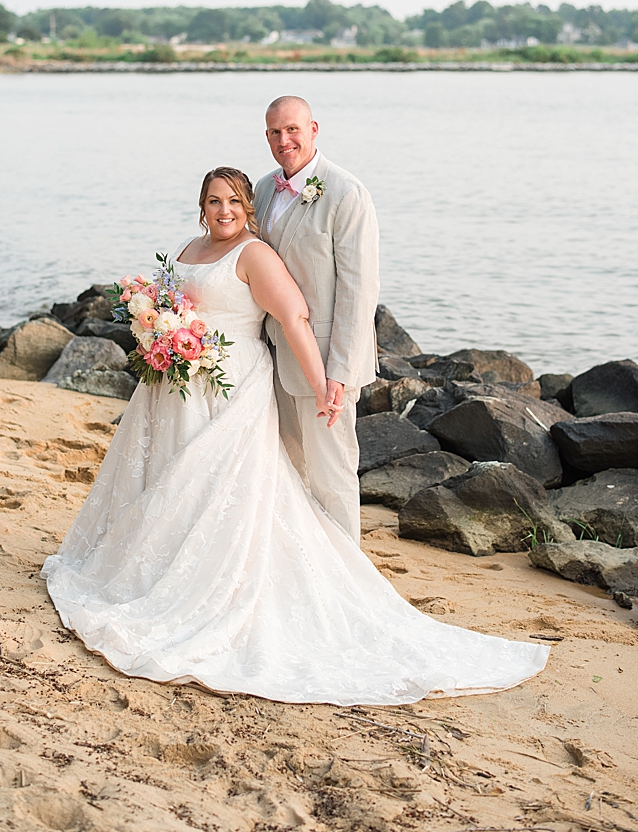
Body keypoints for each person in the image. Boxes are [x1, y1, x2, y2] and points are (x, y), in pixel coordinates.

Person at [40, 167, 547, 705]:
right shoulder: (190, 246)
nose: (224, 211)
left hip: (229, 386)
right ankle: (148, 570)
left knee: (217, 488)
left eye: (233, 201)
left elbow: (297, 317)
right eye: (214, 201)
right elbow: (175, 303)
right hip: (174, 387)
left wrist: (326, 383)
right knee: (167, 478)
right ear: (201, 206)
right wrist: (159, 330)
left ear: (248, 207)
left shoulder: (256, 254)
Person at [255, 95, 378, 544]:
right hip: (270, 355)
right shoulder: (264, 189)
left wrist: (340, 374)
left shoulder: (346, 192)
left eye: (292, 130)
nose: (283, 140)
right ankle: (304, 564)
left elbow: (359, 290)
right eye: (274, 132)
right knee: (285, 467)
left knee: (333, 474)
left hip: (324, 364)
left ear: (313, 129)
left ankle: (349, 574)